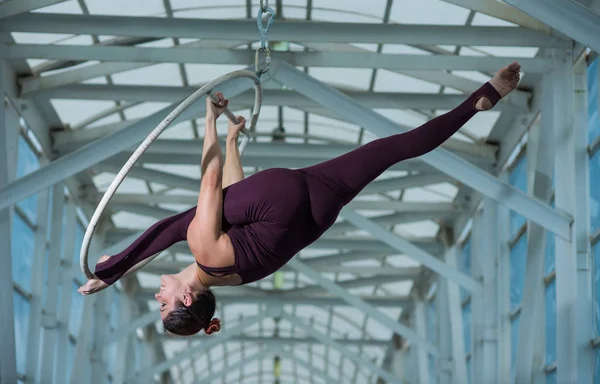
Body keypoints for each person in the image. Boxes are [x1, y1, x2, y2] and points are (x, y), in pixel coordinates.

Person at [78, 62, 521, 337]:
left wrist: (232, 143)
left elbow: (236, 197)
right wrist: (210, 121)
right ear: (187, 300)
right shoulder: (202, 250)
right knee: (181, 223)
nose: (158, 293)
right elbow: (211, 182)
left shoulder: (230, 276)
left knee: (392, 150)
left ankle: (476, 104)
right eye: (163, 301)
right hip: (281, 199)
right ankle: (115, 266)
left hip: (313, 210)